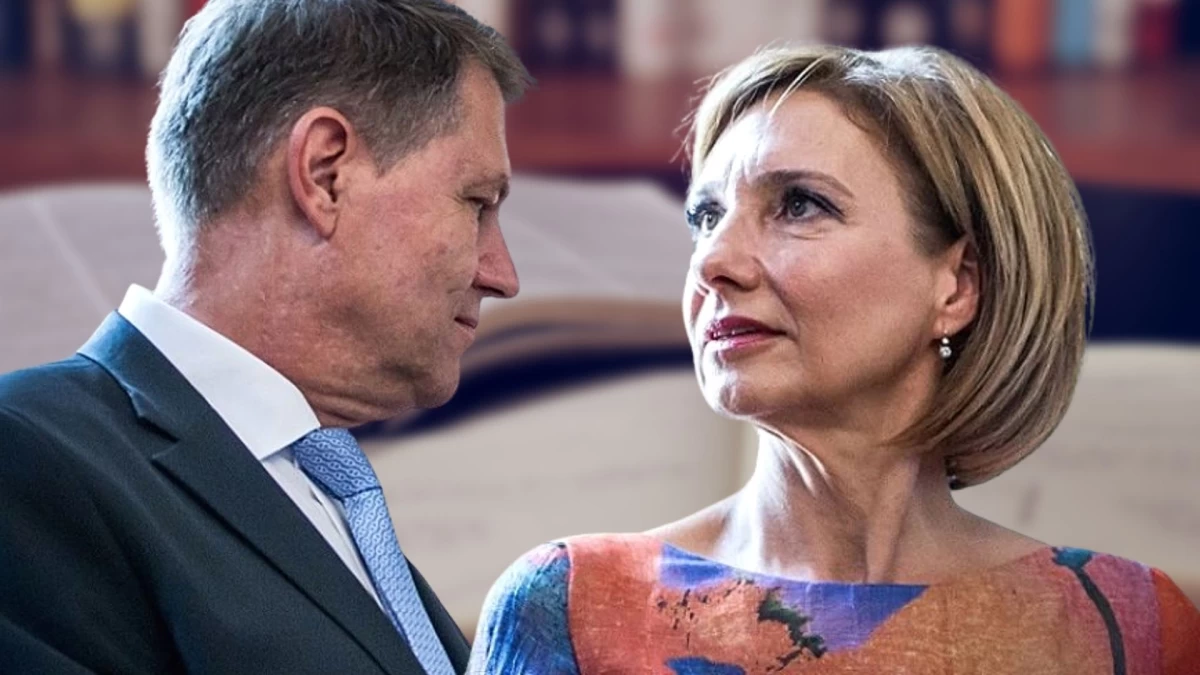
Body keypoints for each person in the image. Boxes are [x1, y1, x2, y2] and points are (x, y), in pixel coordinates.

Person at [469, 45, 1200, 673]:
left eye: (799, 205)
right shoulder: (568, 604)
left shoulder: (1131, 624)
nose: (714, 261)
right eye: (706, 216)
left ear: (958, 286)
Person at [0, 1, 530, 673]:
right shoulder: (24, 457)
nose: (502, 275)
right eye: (477, 203)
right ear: (325, 173)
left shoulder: (324, 489)